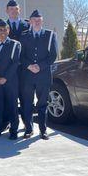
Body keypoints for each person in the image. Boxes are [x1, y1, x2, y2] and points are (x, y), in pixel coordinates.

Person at [20, 10, 58, 140]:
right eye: (34, 19)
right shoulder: (24, 36)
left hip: (43, 75)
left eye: (39, 19)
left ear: (42, 21)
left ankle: (43, 130)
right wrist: (29, 66)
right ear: (30, 21)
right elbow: (21, 55)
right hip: (28, 76)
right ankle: (29, 129)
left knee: (42, 104)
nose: (37, 21)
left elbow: (53, 55)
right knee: (27, 103)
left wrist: (40, 66)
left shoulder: (50, 35)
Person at [0, 20, 21, 140]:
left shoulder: (15, 44)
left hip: (11, 81)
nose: (3, 32)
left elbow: (15, 63)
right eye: (0, 30)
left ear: (9, 30)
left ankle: (14, 130)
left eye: (5, 29)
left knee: (12, 106)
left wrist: (5, 78)